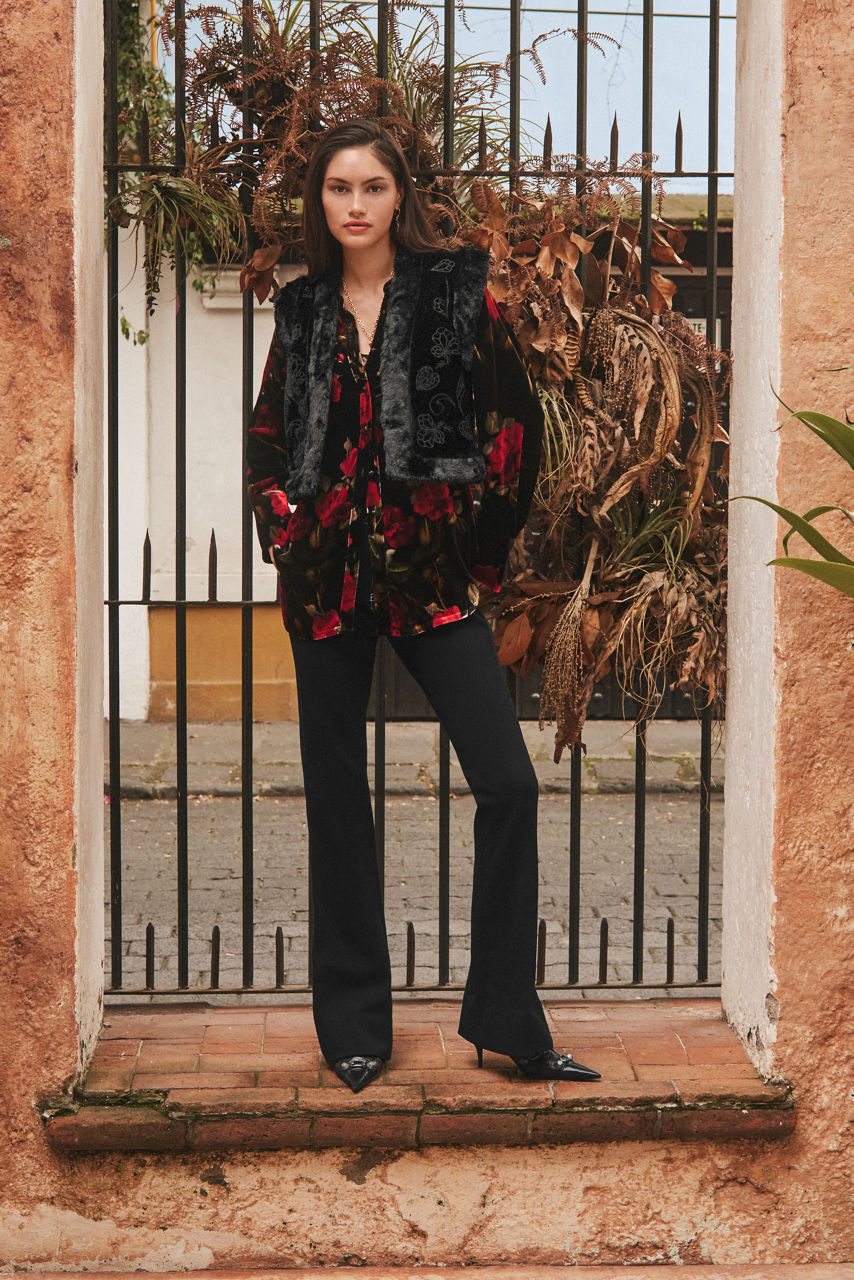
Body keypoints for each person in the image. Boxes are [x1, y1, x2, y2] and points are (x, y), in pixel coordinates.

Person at [246, 118, 600, 1093]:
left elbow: (514, 425)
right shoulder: (303, 309)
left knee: (508, 784)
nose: (355, 204)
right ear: (320, 202)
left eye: (372, 186)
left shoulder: (451, 296)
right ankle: (354, 1027)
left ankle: (505, 1018)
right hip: (325, 585)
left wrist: (477, 548)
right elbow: (269, 434)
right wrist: (285, 525)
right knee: (337, 801)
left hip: (432, 581)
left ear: (399, 194)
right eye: (337, 188)